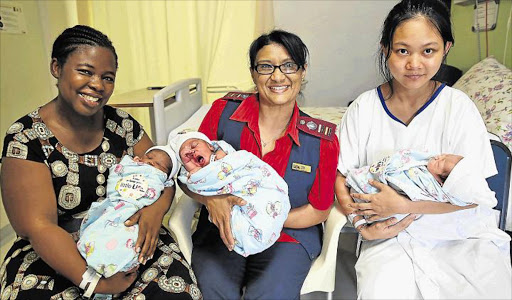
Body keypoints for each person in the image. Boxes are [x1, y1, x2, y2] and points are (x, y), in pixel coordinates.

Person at [0, 25, 201, 299]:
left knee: (176, 292)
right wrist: (96, 283)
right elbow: (38, 227)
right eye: (85, 71)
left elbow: (164, 174)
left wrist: (155, 211)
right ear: (56, 67)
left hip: (131, 237)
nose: (97, 85)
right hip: (54, 253)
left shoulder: (123, 126)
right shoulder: (26, 138)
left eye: (108, 77)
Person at [335, 1, 511, 299]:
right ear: (385, 49)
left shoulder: (458, 108)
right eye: (402, 50)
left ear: (446, 49)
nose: (414, 64)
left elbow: (473, 197)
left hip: (461, 234)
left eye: (428, 51)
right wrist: (359, 224)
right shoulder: (364, 108)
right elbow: (340, 177)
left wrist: (404, 205)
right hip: (389, 236)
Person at [179, 30, 340, 299]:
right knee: (210, 290)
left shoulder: (322, 140)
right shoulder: (224, 112)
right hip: (223, 229)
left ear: (303, 71)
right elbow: (188, 175)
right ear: (253, 73)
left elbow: (319, 209)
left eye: (289, 65)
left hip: (289, 235)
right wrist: (212, 201)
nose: (278, 77)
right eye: (266, 67)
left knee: (271, 294)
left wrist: (263, 220)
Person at [169, 131, 291, 257]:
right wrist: (199, 182)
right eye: (186, 157)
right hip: (224, 229)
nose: (192, 152)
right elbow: (185, 182)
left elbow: (243, 164)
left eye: (194, 146)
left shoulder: (225, 154)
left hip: (257, 193)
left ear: (211, 146)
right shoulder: (194, 175)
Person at [78, 146, 179, 281]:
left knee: (130, 238)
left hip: (136, 214)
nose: (151, 163)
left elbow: (169, 186)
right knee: (100, 230)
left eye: (159, 165)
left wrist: (156, 210)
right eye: (149, 158)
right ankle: (94, 260)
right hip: (115, 206)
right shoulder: (131, 165)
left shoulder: (133, 132)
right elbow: (119, 172)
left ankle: (117, 264)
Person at [346, 150, 496, 226]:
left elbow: (407, 189)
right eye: (444, 156)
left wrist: (401, 203)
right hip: (360, 187)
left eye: (441, 164)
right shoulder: (425, 162)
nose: (438, 157)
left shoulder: (429, 185)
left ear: (442, 182)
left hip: (371, 198)